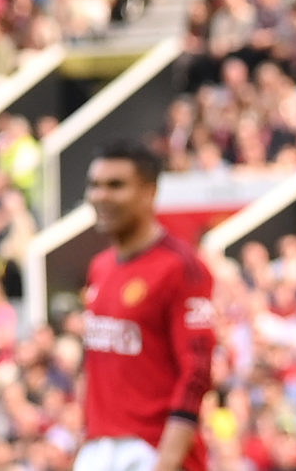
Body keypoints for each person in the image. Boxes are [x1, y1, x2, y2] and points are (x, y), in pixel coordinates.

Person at [77, 140, 215, 471]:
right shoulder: (100, 266)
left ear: (148, 192)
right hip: (100, 448)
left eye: (116, 185)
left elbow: (197, 371)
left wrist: (166, 460)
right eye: (94, 185)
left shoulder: (181, 267)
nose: (101, 196)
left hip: (151, 449)